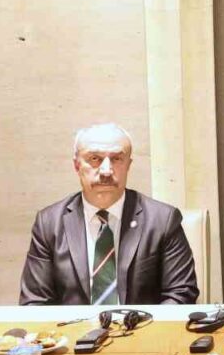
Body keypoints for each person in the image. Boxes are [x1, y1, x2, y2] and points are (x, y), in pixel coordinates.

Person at [19, 123, 199, 305]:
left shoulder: (162, 220)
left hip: (142, 322)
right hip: (72, 324)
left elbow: (181, 293)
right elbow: (35, 302)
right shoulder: (49, 223)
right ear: (76, 165)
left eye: (117, 159)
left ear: (128, 165)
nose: (106, 171)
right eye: (94, 159)